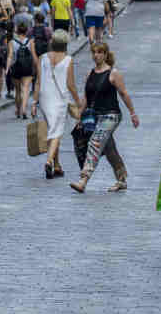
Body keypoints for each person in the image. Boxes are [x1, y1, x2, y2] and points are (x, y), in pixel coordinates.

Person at [69, 43, 139, 194]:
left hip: (111, 115)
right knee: (109, 148)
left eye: (100, 52)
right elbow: (86, 98)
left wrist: (133, 113)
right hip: (95, 116)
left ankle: (83, 179)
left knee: (95, 142)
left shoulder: (113, 74)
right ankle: (121, 180)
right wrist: (79, 117)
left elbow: (124, 94)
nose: (96, 55)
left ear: (106, 54)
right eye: (94, 52)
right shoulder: (90, 74)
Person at [37, 30, 80, 179]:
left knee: (52, 130)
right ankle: (49, 162)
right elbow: (71, 84)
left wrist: (34, 101)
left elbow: (38, 81)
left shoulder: (42, 58)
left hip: (45, 97)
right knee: (56, 132)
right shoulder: (68, 60)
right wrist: (79, 102)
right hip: (60, 98)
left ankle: (57, 165)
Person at [6, 23, 36, 119]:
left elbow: (10, 56)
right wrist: (37, 67)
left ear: (17, 31)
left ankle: (18, 111)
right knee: (26, 89)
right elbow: (34, 55)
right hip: (27, 68)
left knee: (18, 90)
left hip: (16, 68)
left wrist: (7, 68)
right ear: (26, 31)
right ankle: (23, 109)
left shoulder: (11, 42)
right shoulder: (30, 41)